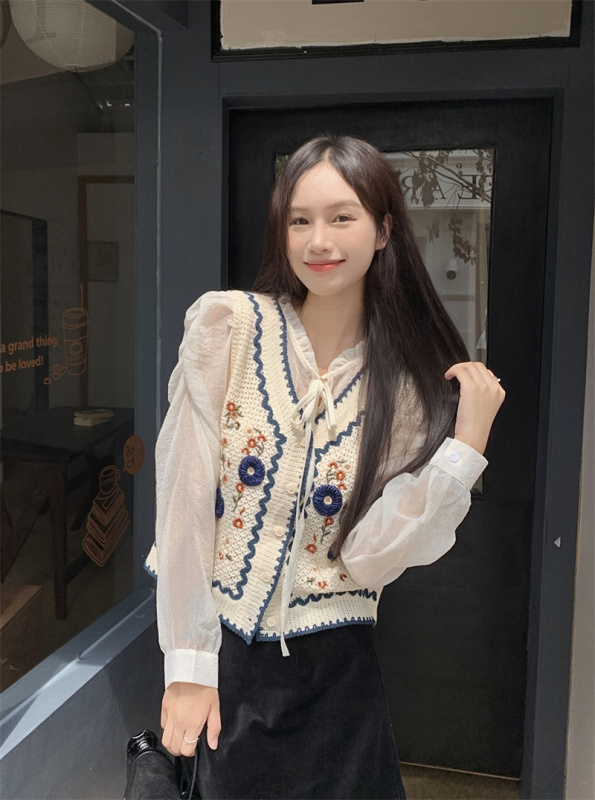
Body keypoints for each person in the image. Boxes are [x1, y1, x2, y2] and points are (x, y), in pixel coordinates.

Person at [145, 134, 505, 799]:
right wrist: (188, 666)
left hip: (338, 670)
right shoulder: (229, 327)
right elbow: (183, 499)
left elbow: (369, 558)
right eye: (299, 220)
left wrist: (464, 448)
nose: (318, 240)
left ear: (383, 230)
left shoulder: (404, 387)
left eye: (341, 217)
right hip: (227, 656)